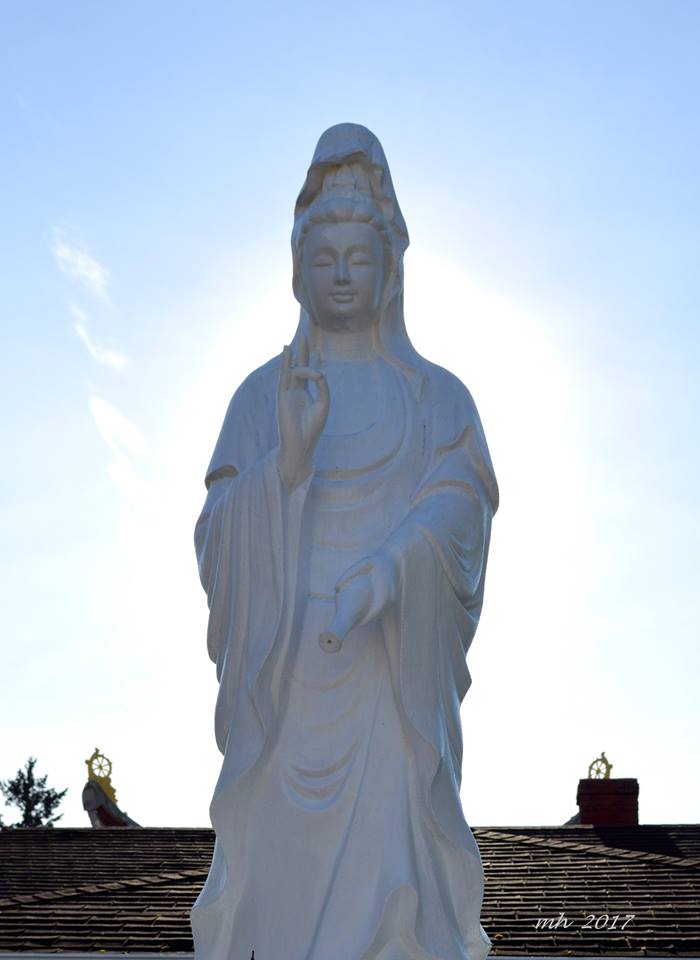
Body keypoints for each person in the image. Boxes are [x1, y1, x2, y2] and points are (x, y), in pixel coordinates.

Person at [192, 123, 498, 960]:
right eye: (324, 257)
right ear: (298, 268)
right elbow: (215, 533)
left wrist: (391, 572)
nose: (340, 275)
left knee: (394, 901)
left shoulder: (436, 399)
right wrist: (286, 468)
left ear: (388, 268)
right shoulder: (263, 397)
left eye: (358, 258)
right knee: (280, 905)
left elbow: (462, 506)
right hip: (287, 683)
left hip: (387, 685)